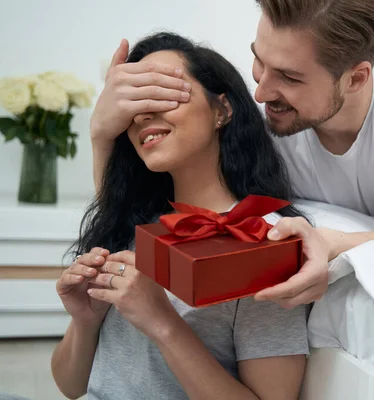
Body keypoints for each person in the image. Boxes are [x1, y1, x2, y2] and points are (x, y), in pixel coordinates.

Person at [91, 0, 374, 309]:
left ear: (356, 79)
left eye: (289, 77)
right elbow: (133, 204)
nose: (261, 93)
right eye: (259, 62)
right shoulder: (270, 117)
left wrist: (332, 243)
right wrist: (101, 132)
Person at [52, 32, 309, 400]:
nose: (142, 112)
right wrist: (85, 320)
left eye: (163, 92)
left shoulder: (262, 243)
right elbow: (70, 386)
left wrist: (161, 321)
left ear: (222, 109)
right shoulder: (131, 221)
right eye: (136, 99)